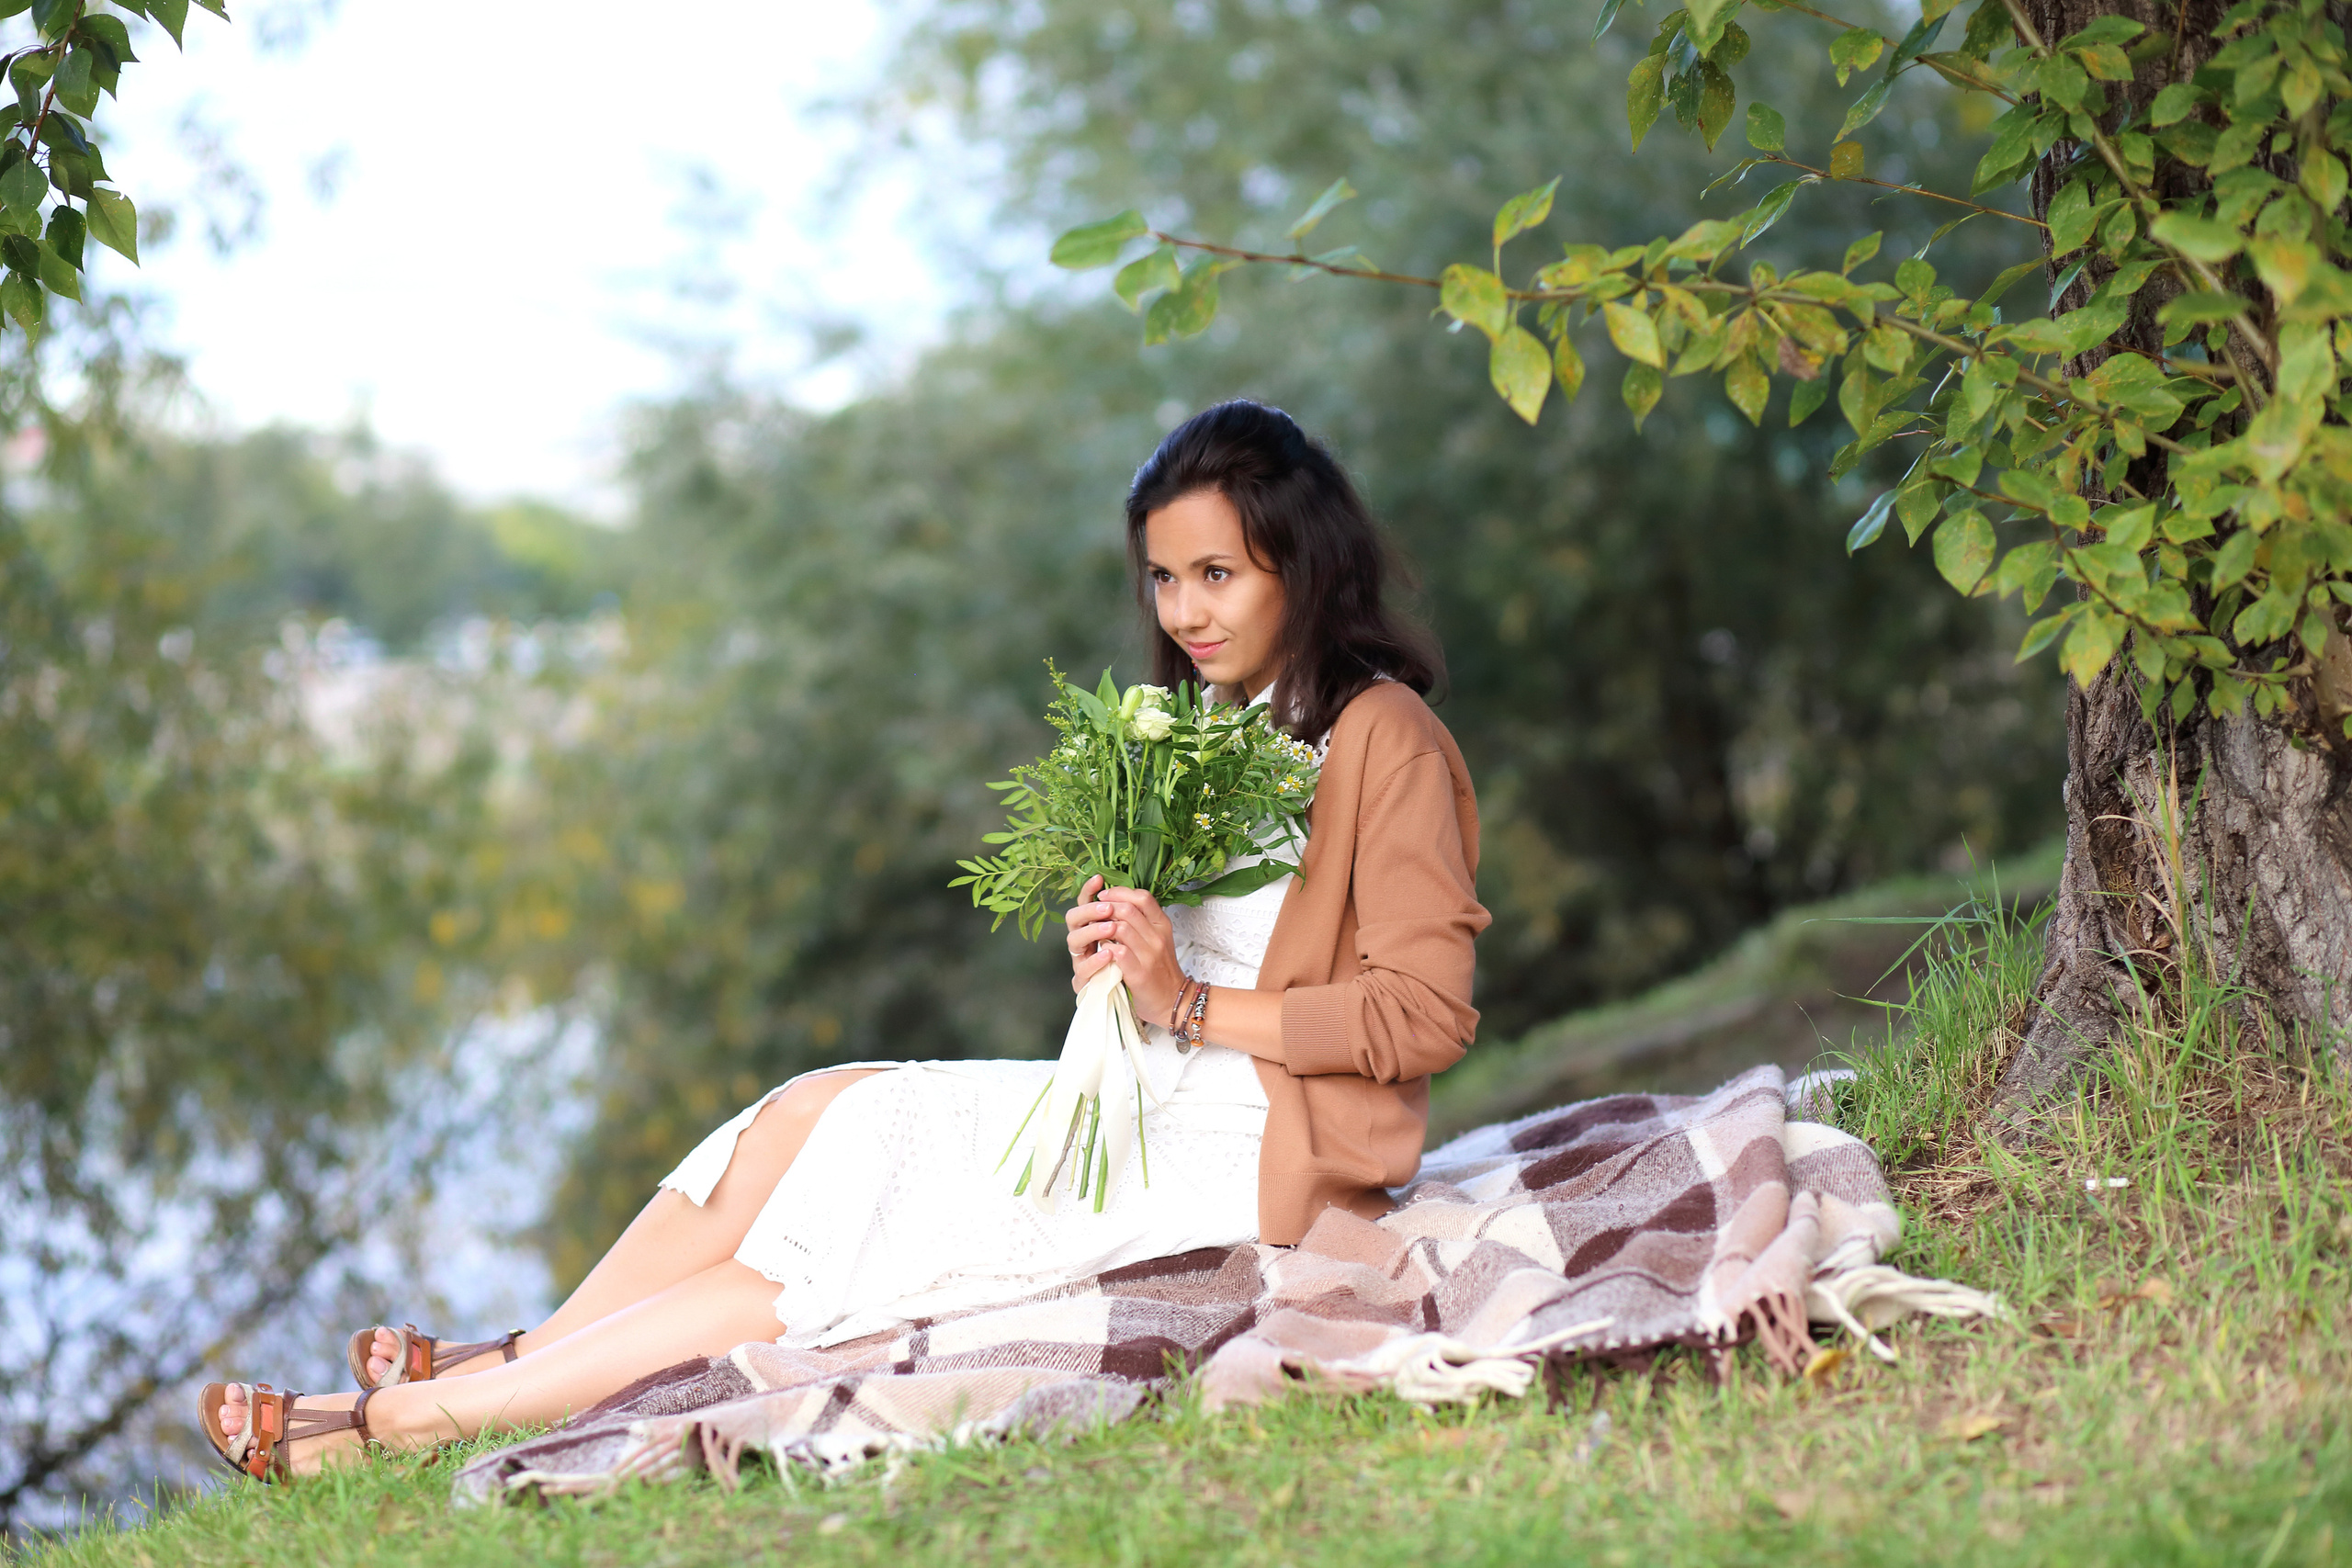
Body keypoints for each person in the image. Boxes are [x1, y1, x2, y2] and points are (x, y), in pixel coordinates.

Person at [199, 400, 1491, 1481]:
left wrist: (1191, 1010)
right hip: (1145, 1094)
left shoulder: (1384, 739)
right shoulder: (1200, 726)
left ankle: (399, 1426)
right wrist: (1114, 952)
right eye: (1165, 575)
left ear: (1303, 564)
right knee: (814, 1110)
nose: (1186, 609)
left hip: (1249, 1152)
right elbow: (1179, 971)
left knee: (850, 1206)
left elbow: (1424, 1015)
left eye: (1219, 573)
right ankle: (526, 1358)